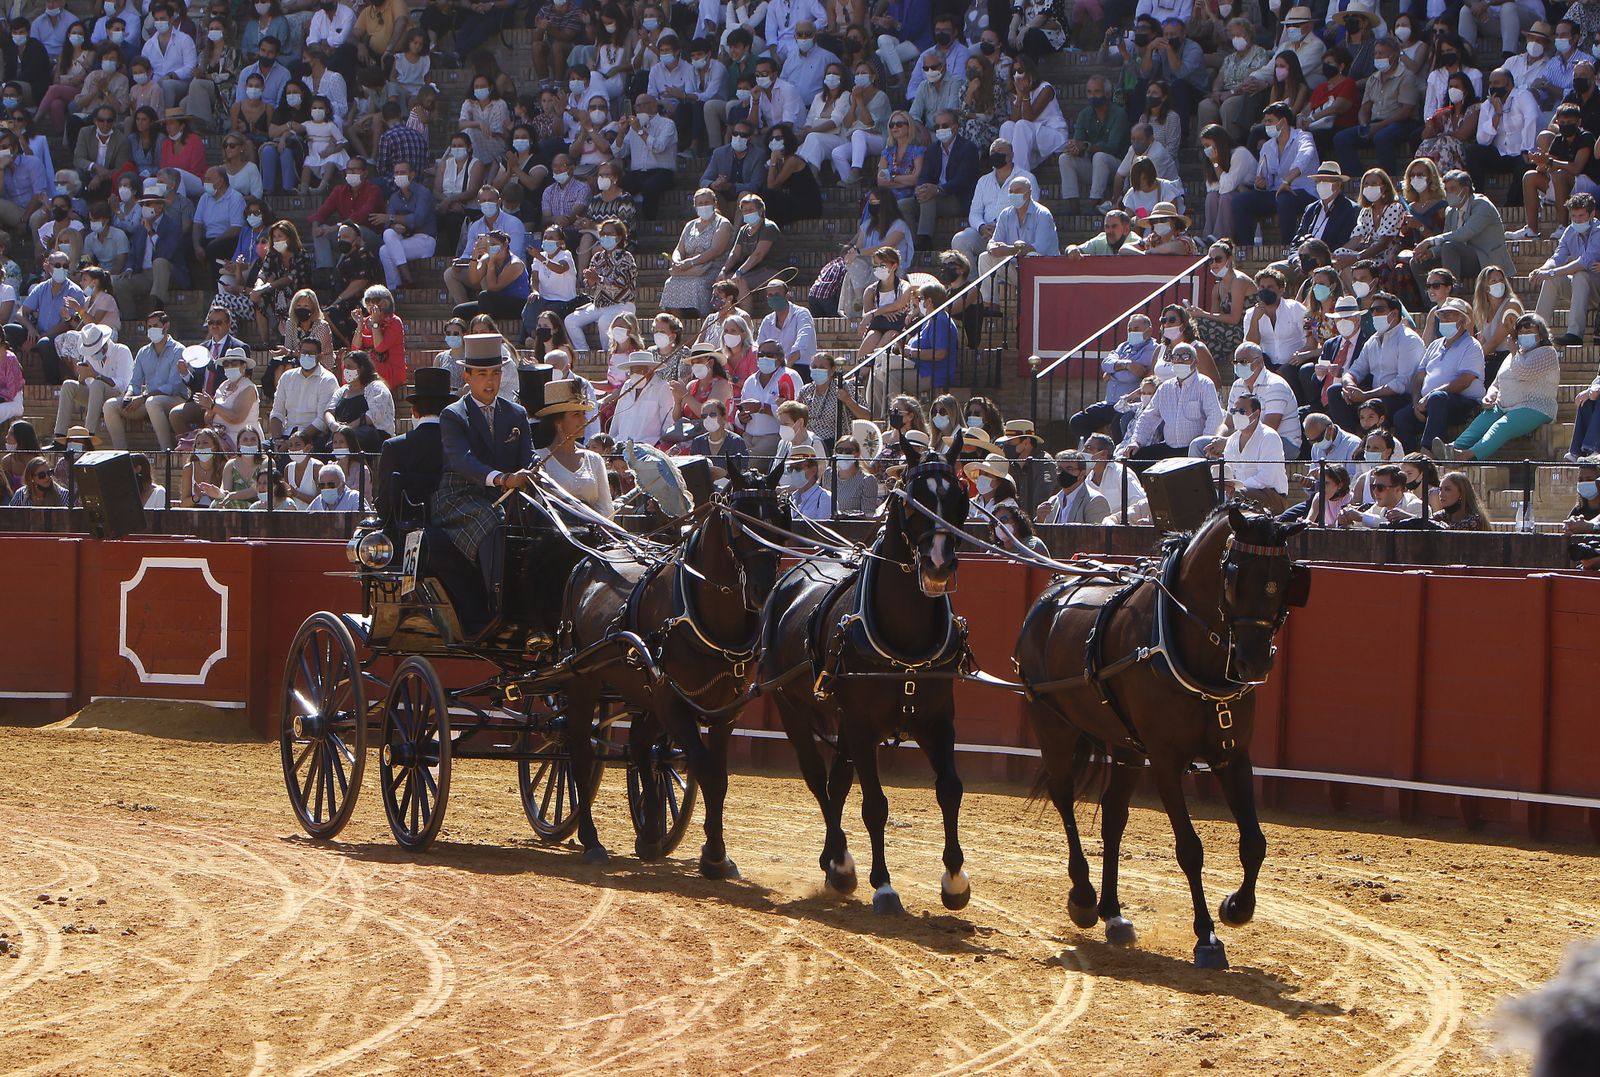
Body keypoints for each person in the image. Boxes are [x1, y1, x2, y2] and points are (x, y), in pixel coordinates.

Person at [434, 333, 536, 635]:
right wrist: (502, 478)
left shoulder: (516, 413)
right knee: (494, 521)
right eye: (481, 374)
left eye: (494, 373)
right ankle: (497, 606)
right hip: (460, 495)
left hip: (510, 493)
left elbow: (528, 455)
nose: (489, 381)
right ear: (467, 376)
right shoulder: (453, 415)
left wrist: (531, 471)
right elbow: (461, 460)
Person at [1436, 313, 1559, 461]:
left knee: (1501, 426)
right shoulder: (1513, 355)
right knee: (1480, 423)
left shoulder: (1547, 353)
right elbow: (1497, 382)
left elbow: (1523, 372)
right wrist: (1490, 395)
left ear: (1540, 335)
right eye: (1521, 333)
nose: (1524, 335)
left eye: (1529, 332)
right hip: (1503, 405)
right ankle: (1452, 450)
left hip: (1535, 406)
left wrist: (1513, 352)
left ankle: (1468, 455)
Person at [1394, 298, 1485, 452]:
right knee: (1401, 417)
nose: (1444, 319)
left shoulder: (1472, 346)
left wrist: (1430, 395)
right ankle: (1411, 458)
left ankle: (1427, 451)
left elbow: (1464, 381)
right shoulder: (1435, 345)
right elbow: (1419, 376)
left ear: (1462, 320)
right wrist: (1416, 402)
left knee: (1438, 398)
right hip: (1430, 402)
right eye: (1442, 315)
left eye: (1450, 315)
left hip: (1464, 404)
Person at [1409, 169, 1515, 297]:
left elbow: (1464, 234)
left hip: (1486, 260)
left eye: (1453, 189)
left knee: (1450, 247)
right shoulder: (1451, 211)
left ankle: (1452, 299)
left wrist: (1430, 241)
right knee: (1417, 262)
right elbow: (1447, 237)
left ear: (1465, 190)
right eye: (1446, 189)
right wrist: (1430, 253)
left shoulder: (1482, 205)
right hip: (1459, 258)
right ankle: (1430, 304)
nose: (1448, 193)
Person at [374, 366, 449, 539]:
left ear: (414, 411)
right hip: (452, 535)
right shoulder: (459, 446)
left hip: (403, 537)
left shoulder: (393, 447)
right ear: (447, 412)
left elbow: (385, 503)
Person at [1330, 291, 1422, 431]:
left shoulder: (1408, 340)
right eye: (1372, 310)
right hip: (1374, 394)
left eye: (1379, 310)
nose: (1374, 314)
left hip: (1400, 398)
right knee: (1335, 392)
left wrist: (1366, 395)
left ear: (1394, 313)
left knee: (1374, 404)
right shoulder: (1372, 341)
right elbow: (1355, 370)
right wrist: (1350, 386)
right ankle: (1348, 440)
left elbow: (1402, 383)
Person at [1230, 101, 1318, 245]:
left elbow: (1304, 157)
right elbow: (1265, 177)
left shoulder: (1304, 137)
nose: (1266, 125)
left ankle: (1287, 247)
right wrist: (1261, 184)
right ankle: (1246, 249)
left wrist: (1286, 181)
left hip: (1305, 191)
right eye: (1265, 121)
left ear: (1283, 121)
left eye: (1270, 121)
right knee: (1240, 201)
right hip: (1276, 192)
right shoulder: (1267, 146)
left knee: (1284, 198)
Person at [1121, 342, 1223, 459]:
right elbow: (1149, 416)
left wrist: (1203, 445)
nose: (1179, 361)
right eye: (1175, 357)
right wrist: (1137, 441)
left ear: (1195, 362)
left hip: (1192, 451)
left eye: (1185, 357)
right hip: (1169, 448)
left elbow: (1215, 415)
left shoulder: (1205, 384)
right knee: (1134, 457)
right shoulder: (1165, 387)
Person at [102, 314, 183, 450]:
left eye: (155, 326)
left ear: (166, 326)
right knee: (110, 405)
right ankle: (120, 452)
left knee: (153, 402)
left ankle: (166, 451)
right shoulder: (143, 352)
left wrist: (144, 397)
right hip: (147, 401)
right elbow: (135, 383)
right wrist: (129, 395)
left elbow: (173, 387)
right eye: (149, 327)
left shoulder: (179, 350)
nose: (151, 329)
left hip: (174, 400)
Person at [1531, 193, 1600, 347]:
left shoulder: (1598, 231)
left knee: (1580, 275)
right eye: (1574, 216)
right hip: (1580, 291)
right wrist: (1542, 270)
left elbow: (1584, 262)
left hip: (1596, 289)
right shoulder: (1569, 231)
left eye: (1581, 216)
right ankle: (1536, 332)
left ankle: (1574, 334)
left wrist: (1552, 272)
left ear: (1592, 214)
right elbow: (1557, 258)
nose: (1577, 220)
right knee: (1552, 279)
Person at [537, 378, 613, 518]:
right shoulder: (539, 458)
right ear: (558, 422)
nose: (584, 420)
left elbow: (606, 508)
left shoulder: (594, 459)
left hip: (593, 534)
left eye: (583, 414)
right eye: (576, 414)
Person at [565, 218, 636, 356]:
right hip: (599, 304)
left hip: (623, 304)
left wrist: (598, 279)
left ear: (619, 237)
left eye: (609, 234)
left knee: (604, 322)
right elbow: (589, 285)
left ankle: (606, 355)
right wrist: (590, 281)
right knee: (570, 320)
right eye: (603, 233)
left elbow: (622, 284)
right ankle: (584, 353)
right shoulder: (597, 257)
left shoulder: (626, 257)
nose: (605, 237)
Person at [52, 322, 131, 444]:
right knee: (68, 385)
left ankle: (89, 436)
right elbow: (88, 384)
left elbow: (122, 386)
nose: (93, 355)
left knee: (97, 384)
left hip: (116, 395)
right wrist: (82, 378)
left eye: (96, 350)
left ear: (105, 344)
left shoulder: (122, 351)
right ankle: (59, 438)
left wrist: (96, 375)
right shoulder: (89, 355)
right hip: (95, 396)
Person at [661, 188, 733, 318]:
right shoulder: (690, 225)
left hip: (712, 267)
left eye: (707, 202)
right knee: (670, 283)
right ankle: (679, 323)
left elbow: (716, 250)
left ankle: (703, 321)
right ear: (695, 206)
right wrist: (677, 261)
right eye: (700, 203)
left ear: (714, 203)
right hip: (688, 269)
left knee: (698, 284)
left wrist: (691, 262)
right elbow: (679, 248)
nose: (704, 206)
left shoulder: (722, 224)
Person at [1219, 393, 1288, 512]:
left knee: (1238, 496)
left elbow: (1266, 478)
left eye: (1242, 411)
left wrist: (1238, 488)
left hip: (1271, 496)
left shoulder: (1269, 437)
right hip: (1238, 494)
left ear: (1256, 413)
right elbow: (1228, 471)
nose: (1236, 415)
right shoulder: (1232, 440)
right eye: (1233, 411)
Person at [606, 350, 676, 447]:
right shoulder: (627, 385)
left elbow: (667, 421)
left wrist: (664, 446)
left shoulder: (662, 387)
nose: (636, 374)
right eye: (633, 371)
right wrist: (611, 442)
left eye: (640, 371)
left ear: (650, 370)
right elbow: (617, 418)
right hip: (621, 444)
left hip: (647, 447)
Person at [1035, 450, 1112, 524]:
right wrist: (1040, 520)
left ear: (1082, 474)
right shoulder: (1053, 502)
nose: (1063, 473)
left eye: (1069, 469)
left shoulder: (1095, 501)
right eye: (1060, 469)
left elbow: (1098, 535)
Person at [686, 396, 748, 479]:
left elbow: (742, 473)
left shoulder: (737, 442)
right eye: (704, 416)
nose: (708, 418)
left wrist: (724, 474)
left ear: (723, 418)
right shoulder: (697, 442)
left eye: (713, 415)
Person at [778, 442, 831, 518]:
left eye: (798, 468)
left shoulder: (825, 498)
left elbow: (822, 528)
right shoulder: (790, 499)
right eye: (790, 469)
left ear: (813, 470)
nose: (793, 472)